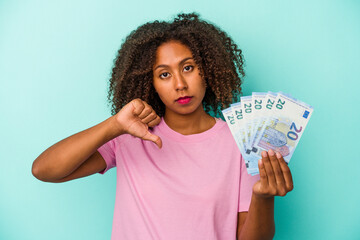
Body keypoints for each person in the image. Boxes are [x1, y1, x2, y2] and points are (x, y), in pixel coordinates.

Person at [32, 13, 293, 240]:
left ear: (209, 71)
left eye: (188, 67)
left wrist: (263, 197)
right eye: (164, 74)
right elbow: (44, 170)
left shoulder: (241, 141)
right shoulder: (130, 136)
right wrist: (113, 125)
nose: (179, 84)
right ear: (151, 83)